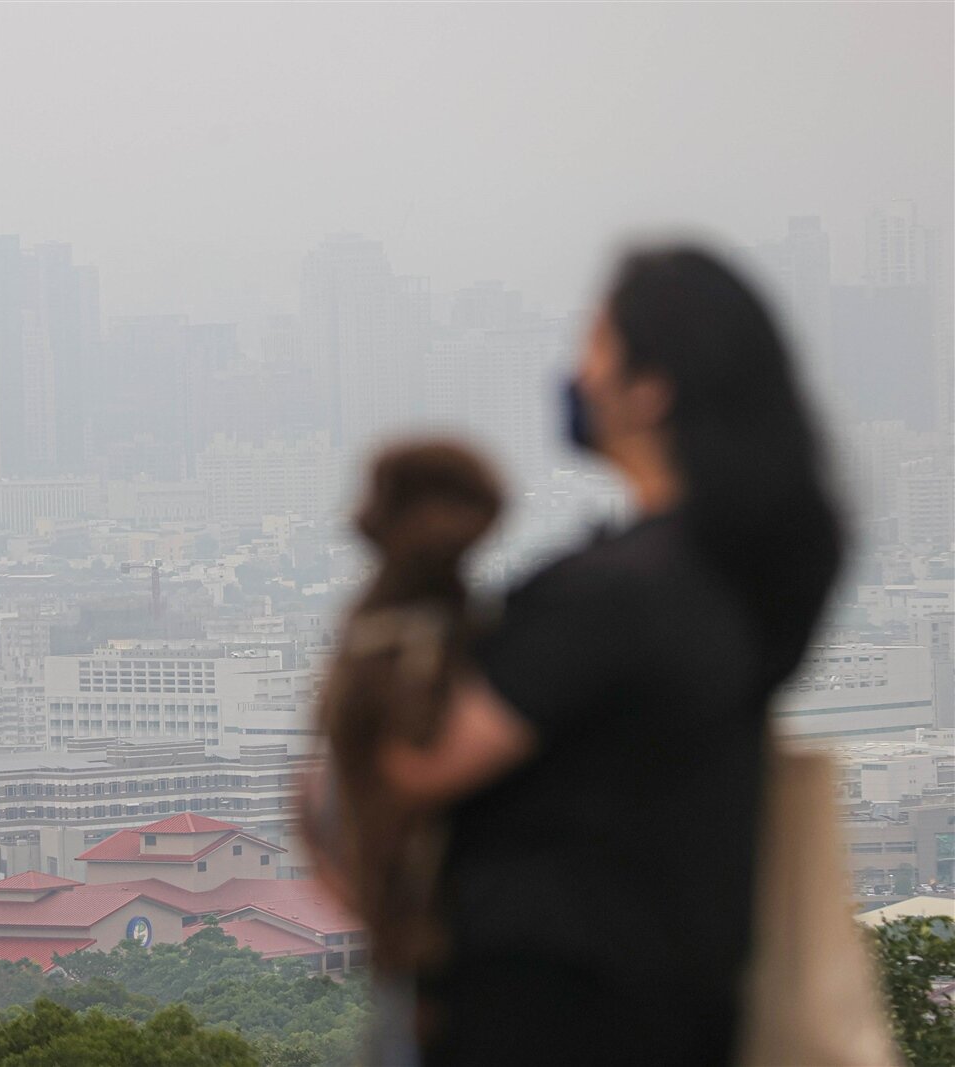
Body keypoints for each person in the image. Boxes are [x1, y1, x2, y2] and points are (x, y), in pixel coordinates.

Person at [380, 246, 843, 1066]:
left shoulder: (618, 597)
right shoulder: (730, 580)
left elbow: (410, 767)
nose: (575, 373)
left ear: (650, 387)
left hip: (548, 1021)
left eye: (593, 346)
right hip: (673, 1014)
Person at [302, 440, 502, 1056]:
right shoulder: (474, 636)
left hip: (404, 922)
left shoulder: (368, 635)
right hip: (457, 924)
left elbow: (316, 797)